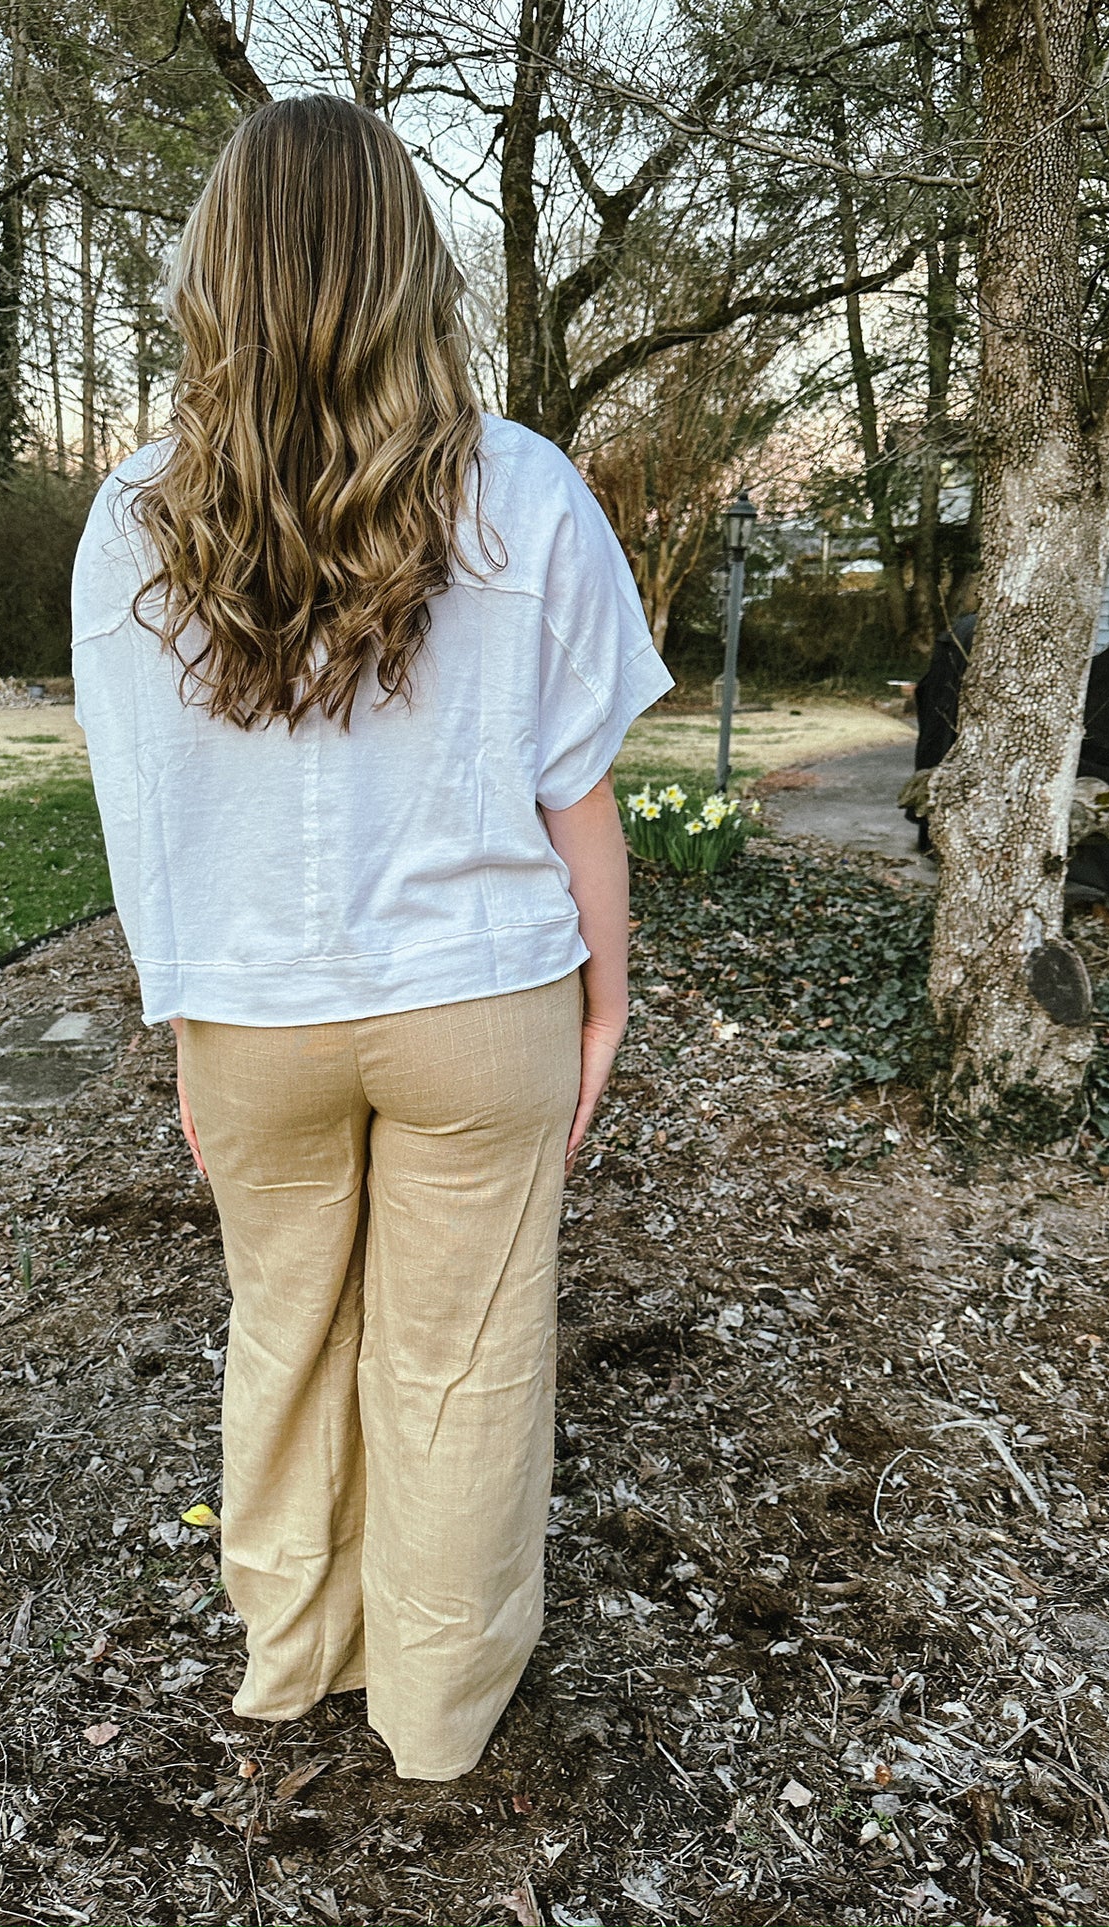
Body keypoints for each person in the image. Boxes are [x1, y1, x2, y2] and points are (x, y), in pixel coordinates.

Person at [71, 93, 672, 1782]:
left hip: (254, 1014)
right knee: (464, 1356)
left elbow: (147, 819)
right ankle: (434, 1708)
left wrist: (183, 1015)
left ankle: (293, 1652)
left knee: (285, 1329)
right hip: (483, 998)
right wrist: (604, 1001)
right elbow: (579, 793)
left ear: (218, 275)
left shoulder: (133, 517)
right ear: (411, 268)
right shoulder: (523, 488)